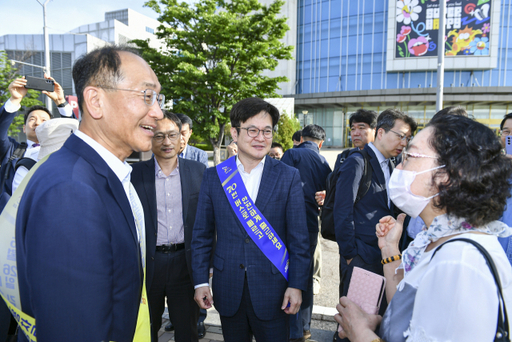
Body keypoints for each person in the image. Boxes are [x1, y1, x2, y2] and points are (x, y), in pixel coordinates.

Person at [15, 45, 164, 341]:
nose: (158, 112)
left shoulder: (98, 174)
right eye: (146, 96)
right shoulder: (70, 191)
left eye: (158, 98)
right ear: (95, 101)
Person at [335, 114, 512, 342]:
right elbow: (405, 306)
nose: (400, 165)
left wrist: (361, 333)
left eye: (411, 156)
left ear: (448, 176)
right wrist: (390, 250)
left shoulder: (458, 262)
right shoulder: (433, 239)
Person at [191, 97, 310, 342]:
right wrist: (200, 281)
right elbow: (202, 235)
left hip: (275, 291)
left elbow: (300, 240)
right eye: (252, 130)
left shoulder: (288, 176)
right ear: (234, 133)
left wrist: (297, 285)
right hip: (228, 288)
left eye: (267, 131)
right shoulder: (215, 177)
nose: (261, 137)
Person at [333, 109, 416, 342]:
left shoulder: (391, 165)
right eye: (400, 135)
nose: (404, 142)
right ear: (380, 132)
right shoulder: (357, 161)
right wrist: (350, 254)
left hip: (383, 258)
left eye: (407, 138)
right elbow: (342, 210)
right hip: (361, 258)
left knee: (375, 320)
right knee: (351, 324)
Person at [132, 111, 206, 342]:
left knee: (187, 331)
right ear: (150, 139)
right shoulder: (133, 175)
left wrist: (207, 268)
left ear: (181, 138)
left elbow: (207, 222)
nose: (166, 142)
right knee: (146, 329)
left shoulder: (199, 172)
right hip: (148, 264)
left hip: (185, 264)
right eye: (159, 136)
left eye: (172, 135)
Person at [281, 124, 332, 342]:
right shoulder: (323, 162)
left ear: (301, 138)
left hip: (287, 223)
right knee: (306, 275)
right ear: (321, 143)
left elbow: (278, 185)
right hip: (311, 224)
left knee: (287, 275)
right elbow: (329, 194)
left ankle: (289, 329)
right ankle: (304, 328)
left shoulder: (291, 154)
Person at [0, 76, 73, 196]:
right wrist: (14, 99)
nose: (38, 123)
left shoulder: (61, 151)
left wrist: (60, 102)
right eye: (32, 119)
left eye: (44, 120)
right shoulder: (11, 150)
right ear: (24, 128)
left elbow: (72, 131)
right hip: (12, 212)